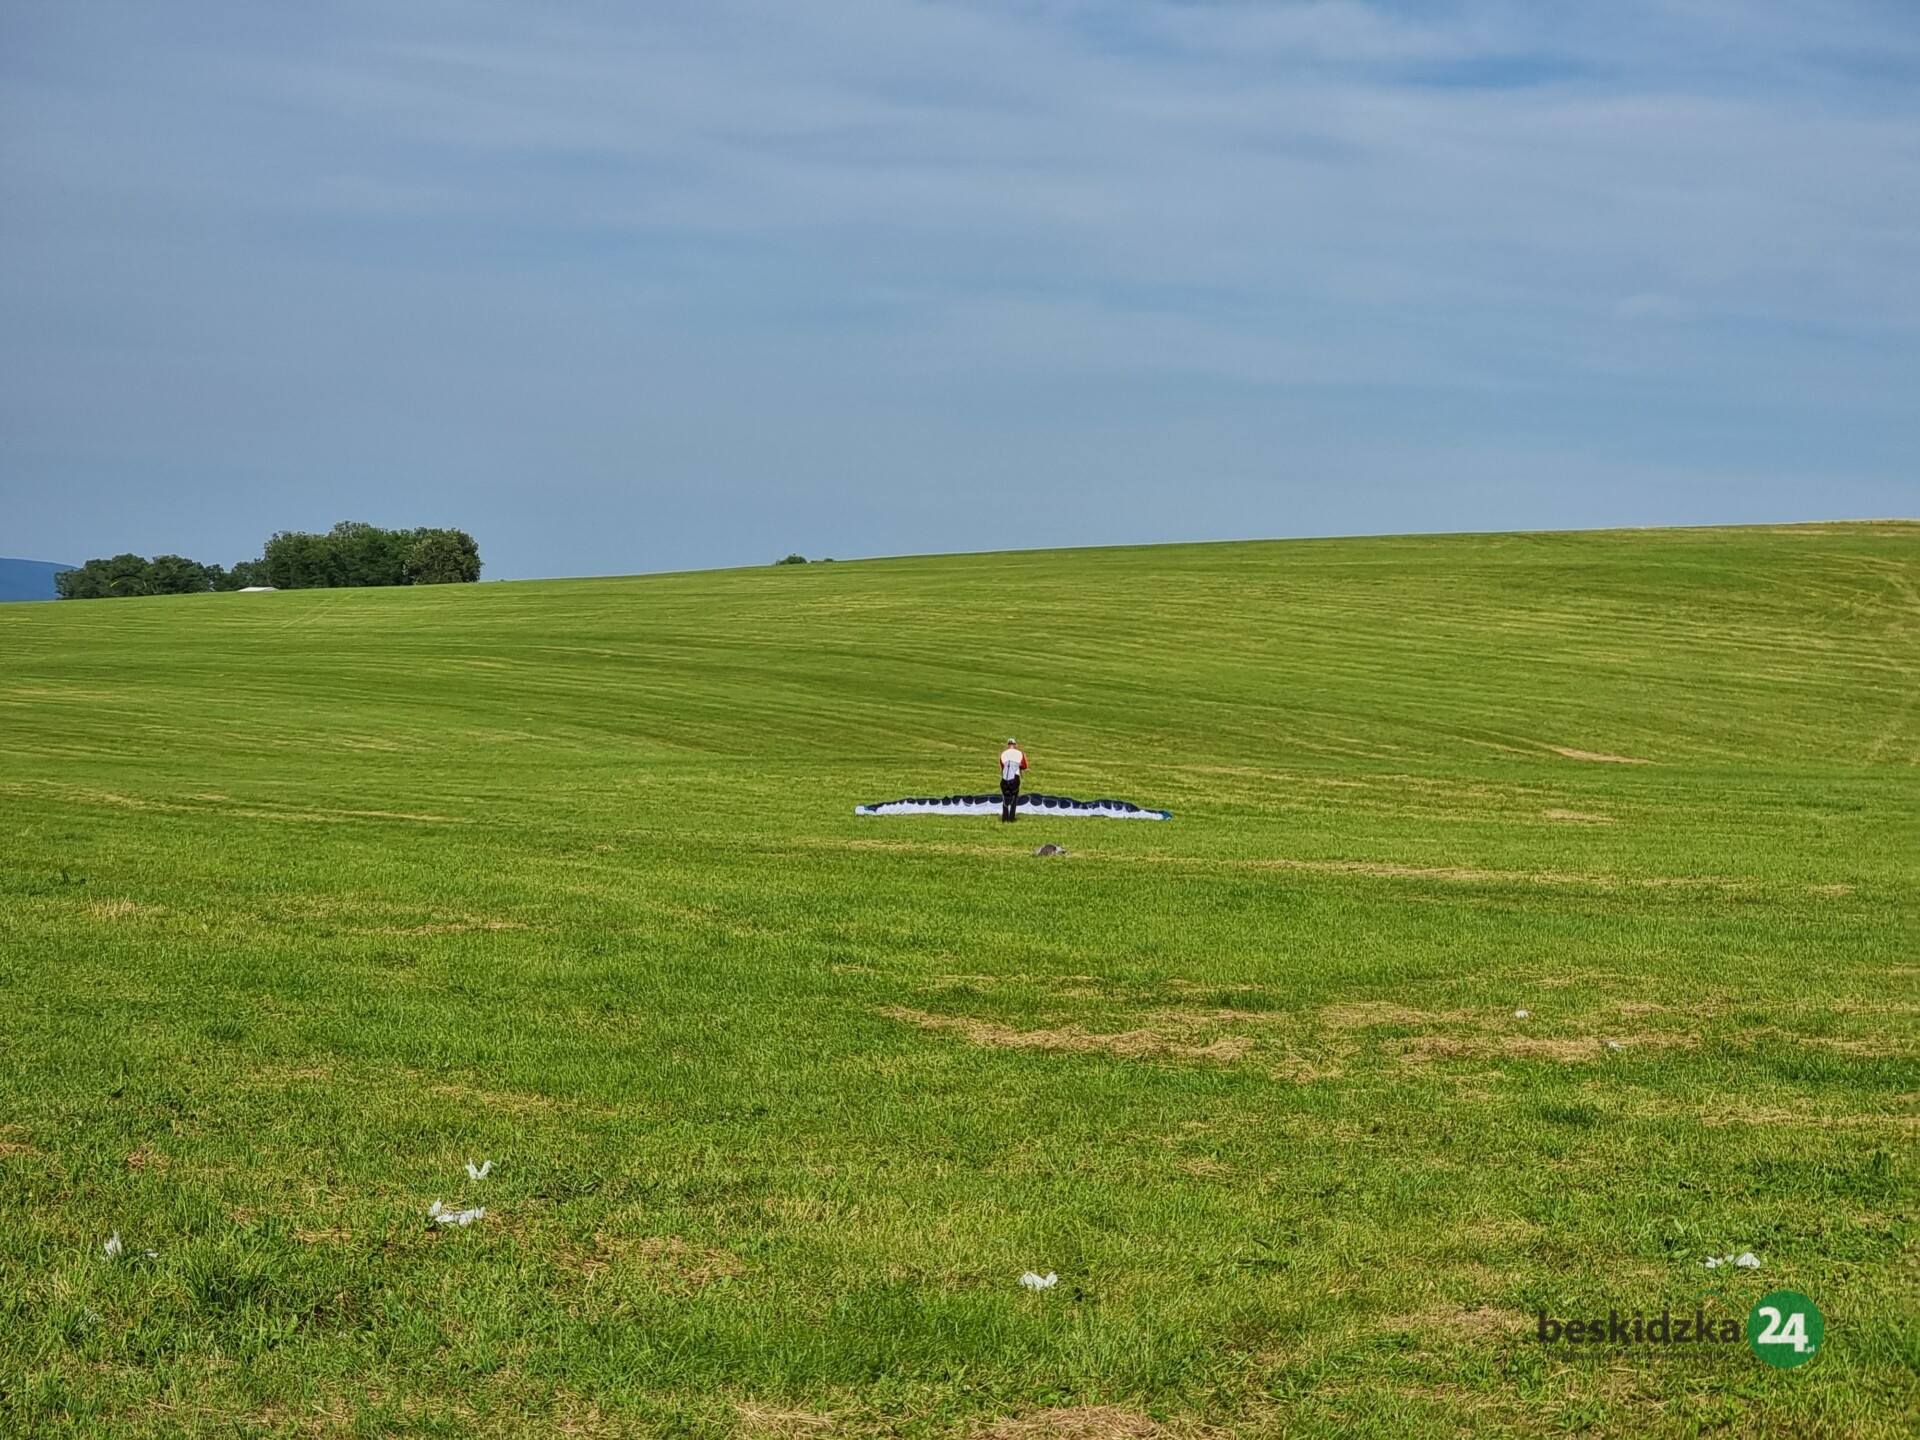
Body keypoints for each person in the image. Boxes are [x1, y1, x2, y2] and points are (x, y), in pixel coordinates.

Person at [998, 738, 1027, 822]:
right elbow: (1025, 766)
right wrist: (1019, 766)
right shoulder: (1019, 753)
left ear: (1008, 745)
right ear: (1015, 745)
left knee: (1005, 798)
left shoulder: (1003, 754)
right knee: (1014, 798)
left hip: (1004, 779)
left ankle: (1005, 818)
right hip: (1015, 777)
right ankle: (1012, 818)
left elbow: (1002, 766)